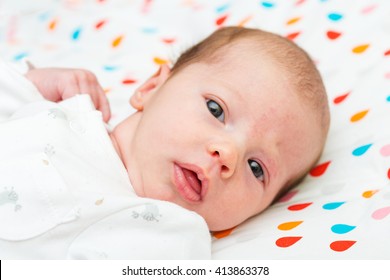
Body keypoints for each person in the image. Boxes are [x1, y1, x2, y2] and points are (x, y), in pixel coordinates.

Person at [0, 26, 329, 259]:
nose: (228, 153)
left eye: (256, 168)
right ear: (151, 87)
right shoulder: (66, 109)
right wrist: (28, 82)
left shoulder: (170, 238)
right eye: (216, 110)